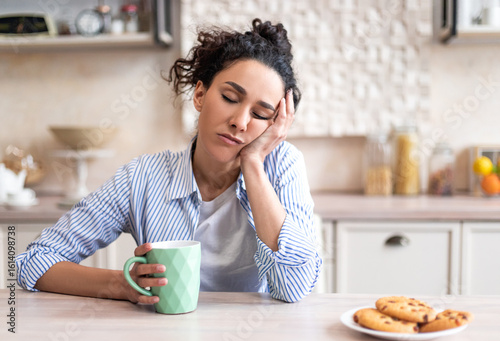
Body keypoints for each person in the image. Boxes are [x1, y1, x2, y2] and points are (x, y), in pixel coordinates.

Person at [16, 18, 322, 304]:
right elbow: (35, 262)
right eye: (230, 97)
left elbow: (294, 287)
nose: (240, 122)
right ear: (200, 95)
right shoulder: (143, 177)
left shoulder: (282, 166)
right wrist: (122, 285)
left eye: (260, 114)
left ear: (275, 125)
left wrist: (253, 163)